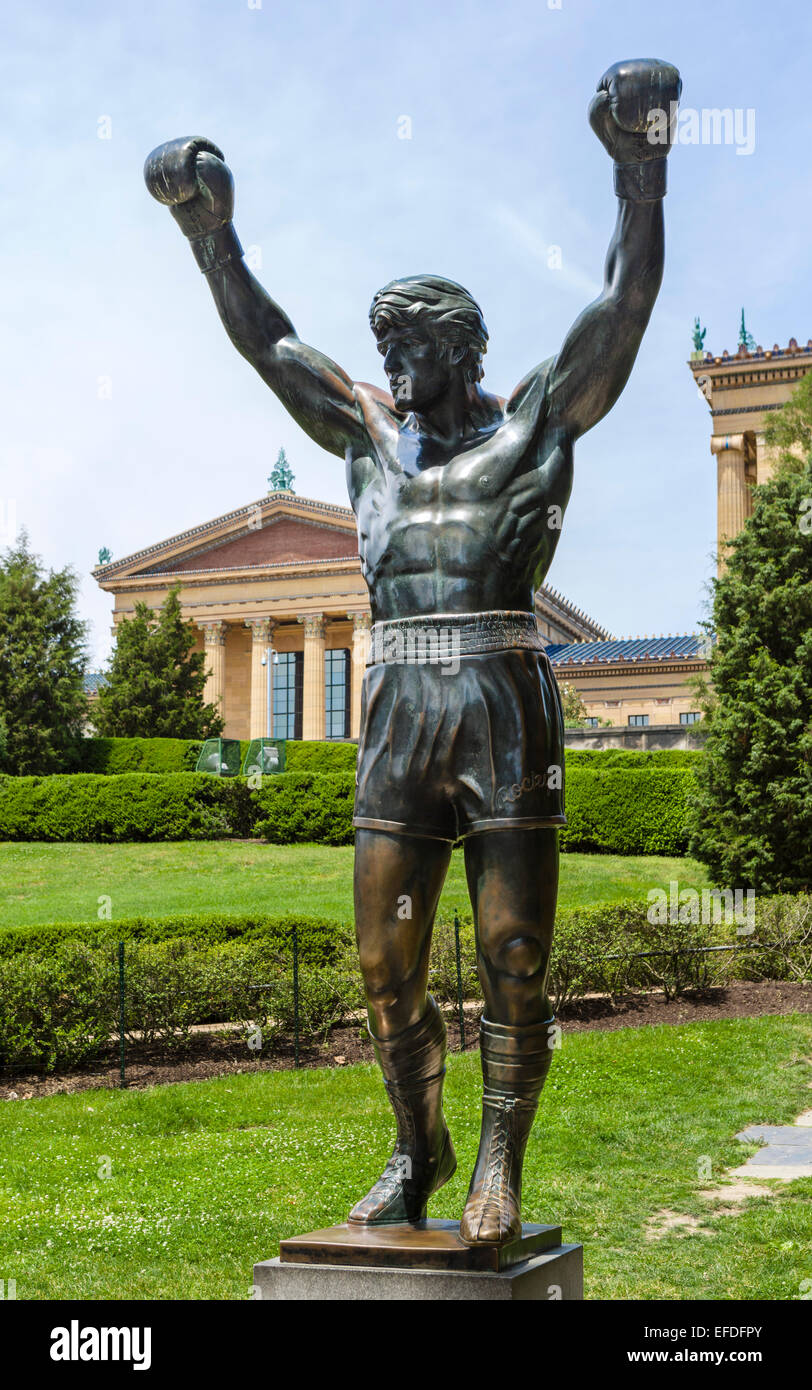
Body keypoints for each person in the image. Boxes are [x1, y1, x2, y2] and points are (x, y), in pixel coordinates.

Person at [144, 57, 680, 1244]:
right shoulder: (367, 439)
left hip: (501, 696)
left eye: (408, 344)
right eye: (382, 343)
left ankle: (497, 1159)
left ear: (459, 347)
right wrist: (209, 237)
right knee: (384, 964)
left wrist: (637, 171)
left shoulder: (535, 423)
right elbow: (271, 344)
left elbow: (623, 306)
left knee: (512, 951)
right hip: (397, 709)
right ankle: (414, 1145)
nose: (389, 362)